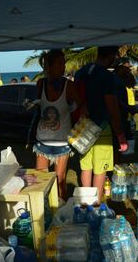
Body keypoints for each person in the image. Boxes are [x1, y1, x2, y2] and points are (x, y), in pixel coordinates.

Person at [74, 46, 128, 203]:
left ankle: (85, 202)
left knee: (85, 167)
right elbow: (112, 108)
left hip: (83, 127)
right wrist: (120, 134)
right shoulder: (106, 76)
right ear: (111, 56)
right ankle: (96, 205)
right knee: (100, 170)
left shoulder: (81, 72)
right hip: (101, 128)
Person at [34, 49, 83, 200]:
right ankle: (43, 210)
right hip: (42, 140)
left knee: (60, 180)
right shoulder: (40, 84)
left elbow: (82, 106)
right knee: (40, 180)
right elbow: (38, 106)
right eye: (60, 64)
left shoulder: (69, 85)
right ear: (49, 66)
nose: (63, 67)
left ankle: (60, 210)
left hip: (62, 142)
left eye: (64, 63)